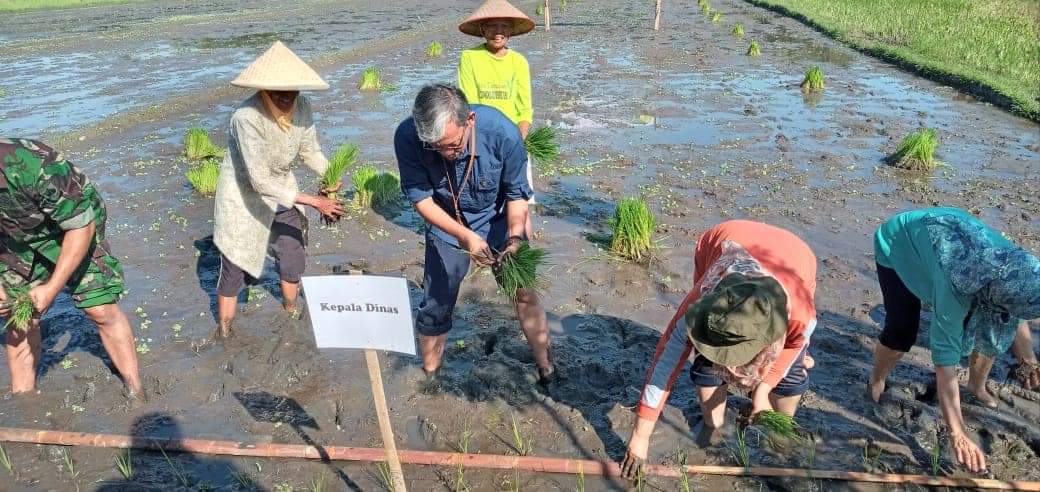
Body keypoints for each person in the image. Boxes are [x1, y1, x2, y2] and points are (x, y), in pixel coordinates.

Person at [622, 220, 818, 478]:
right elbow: (664, 366)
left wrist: (763, 392)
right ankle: (712, 425)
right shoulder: (700, 307)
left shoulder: (801, 316)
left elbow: (793, 345)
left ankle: (781, 425)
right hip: (723, 238)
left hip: (797, 256)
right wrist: (640, 437)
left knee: (792, 371)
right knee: (708, 357)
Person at [394, 83, 554, 385]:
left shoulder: (502, 134)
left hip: (497, 219)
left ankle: (546, 366)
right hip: (446, 223)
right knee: (436, 302)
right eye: (436, 147)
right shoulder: (408, 137)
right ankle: (431, 378)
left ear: (469, 120)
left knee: (523, 291)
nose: (446, 153)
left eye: (452, 145)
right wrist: (464, 236)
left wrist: (515, 238)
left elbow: (516, 194)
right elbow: (422, 201)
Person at [868, 207, 1040, 473]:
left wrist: (1029, 360)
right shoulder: (954, 291)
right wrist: (957, 433)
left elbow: (1014, 313)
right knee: (901, 332)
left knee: (992, 328)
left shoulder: (1020, 270)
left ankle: (976, 385)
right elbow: (944, 362)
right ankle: (876, 379)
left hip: (948, 245)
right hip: (898, 245)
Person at [213, 41, 344, 338]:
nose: (286, 97)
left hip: (284, 192)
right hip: (243, 199)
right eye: (278, 92)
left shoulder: (303, 107)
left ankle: (290, 310)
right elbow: (259, 180)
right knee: (235, 265)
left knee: (292, 253)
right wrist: (313, 201)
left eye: (292, 91)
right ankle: (225, 330)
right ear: (263, 90)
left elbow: (310, 150)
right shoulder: (246, 118)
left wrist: (330, 173)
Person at [0, 138, 144, 403]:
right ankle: (24, 401)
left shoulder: (36, 166)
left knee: (98, 309)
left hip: (73, 225)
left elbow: (81, 226)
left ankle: (136, 390)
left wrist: (52, 288)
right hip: (12, 237)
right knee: (18, 318)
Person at [457, 0, 537, 238]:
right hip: (480, 140)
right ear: (482, 30)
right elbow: (470, 104)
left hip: (513, 140)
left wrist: (517, 141)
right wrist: (483, 143)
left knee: (519, 198)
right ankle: (478, 241)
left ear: (511, 31)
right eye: (491, 26)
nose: (498, 31)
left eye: (504, 26)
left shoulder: (519, 62)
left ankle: (521, 250)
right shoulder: (470, 58)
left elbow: (524, 110)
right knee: (482, 195)